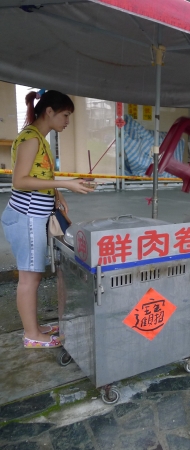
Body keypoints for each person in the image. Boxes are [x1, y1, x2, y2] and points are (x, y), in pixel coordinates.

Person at [1, 90, 94, 348]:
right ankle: (32, 335)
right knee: (30, 278)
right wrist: (66, 183)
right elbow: (19, 181)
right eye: (65, 115)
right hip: (27, 217)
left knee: (33, 276)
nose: (67, 121)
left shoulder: (36, 137)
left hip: (31, 216)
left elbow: (37, 174)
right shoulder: (32, 139)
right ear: (49, 112)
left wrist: (56, 192)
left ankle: (35, 327)